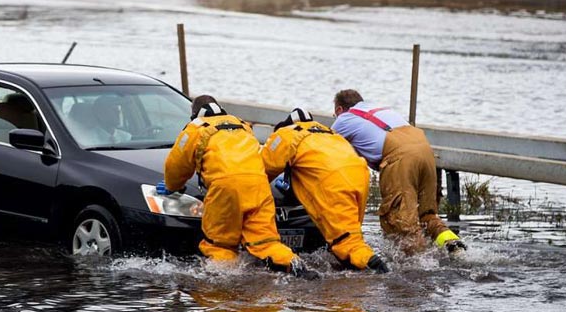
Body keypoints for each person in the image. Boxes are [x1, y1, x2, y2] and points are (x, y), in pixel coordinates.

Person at [164, 95, 317, 279]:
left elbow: (176, 166)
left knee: (220, 244)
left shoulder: (195, 128)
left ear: (195, 114)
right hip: (259, 185)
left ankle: (226, 284)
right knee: (266, 241)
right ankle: (295, 266)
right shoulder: (242, 125)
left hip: (225, 188)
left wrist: (172, 185)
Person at [331, 89, 466, 255]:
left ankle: (420, 264)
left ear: (339, 110)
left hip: (401, 159)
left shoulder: (344, 119)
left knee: (402, 224)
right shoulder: (381, 110)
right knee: (426, 216)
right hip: (426, 153)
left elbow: (324, 147)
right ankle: (452, 244)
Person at [261, 108, 389, 273]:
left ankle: (375, 267)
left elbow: (261, 172)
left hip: (331, 183)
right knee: (350, 235)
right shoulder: (330, 134)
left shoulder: (286, 133)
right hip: (359, 176)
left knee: (346, 244)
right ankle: (364, 266)